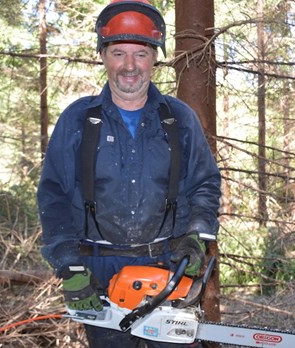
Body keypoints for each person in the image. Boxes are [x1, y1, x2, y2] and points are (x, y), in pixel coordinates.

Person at [37, 0, 221, 347]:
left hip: (167, 265)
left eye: (140, 53)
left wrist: (197, 234)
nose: (129, 66)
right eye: (118, 53)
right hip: (99, 271)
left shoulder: (179, 119)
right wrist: (70, 265)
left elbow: (205, 183)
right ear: (103, 55)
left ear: (155, 56)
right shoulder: (78, 120)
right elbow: (53, 195)